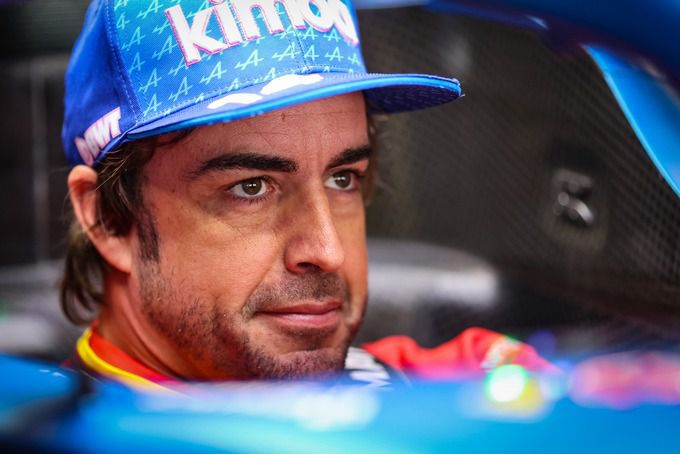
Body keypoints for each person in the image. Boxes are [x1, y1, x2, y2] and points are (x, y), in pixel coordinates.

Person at [61, 0, 553, 391]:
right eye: (251, 187)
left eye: (343, 178)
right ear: (107, 219)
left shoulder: (452, 381)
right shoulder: (46, 431)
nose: (328, 251)